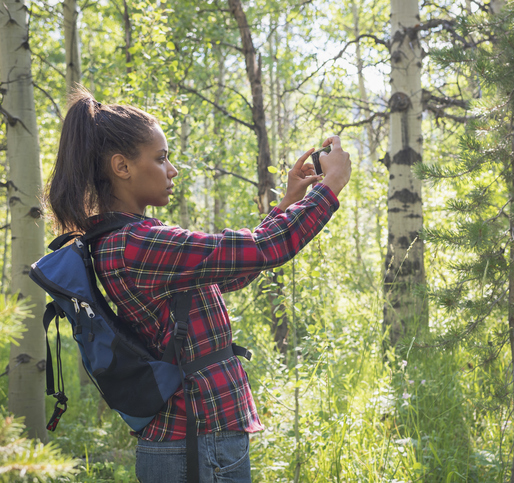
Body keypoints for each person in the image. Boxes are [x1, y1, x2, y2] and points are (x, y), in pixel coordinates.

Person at [45, 87, 351, 482]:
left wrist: (290, 201)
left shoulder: (131, 237)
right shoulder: (135, 244)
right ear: (122, 167)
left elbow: (233, 269)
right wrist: (332, 185)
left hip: (195, 437)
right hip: (195, 440)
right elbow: (264, 248)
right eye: (161, 158)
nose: (172, 170)